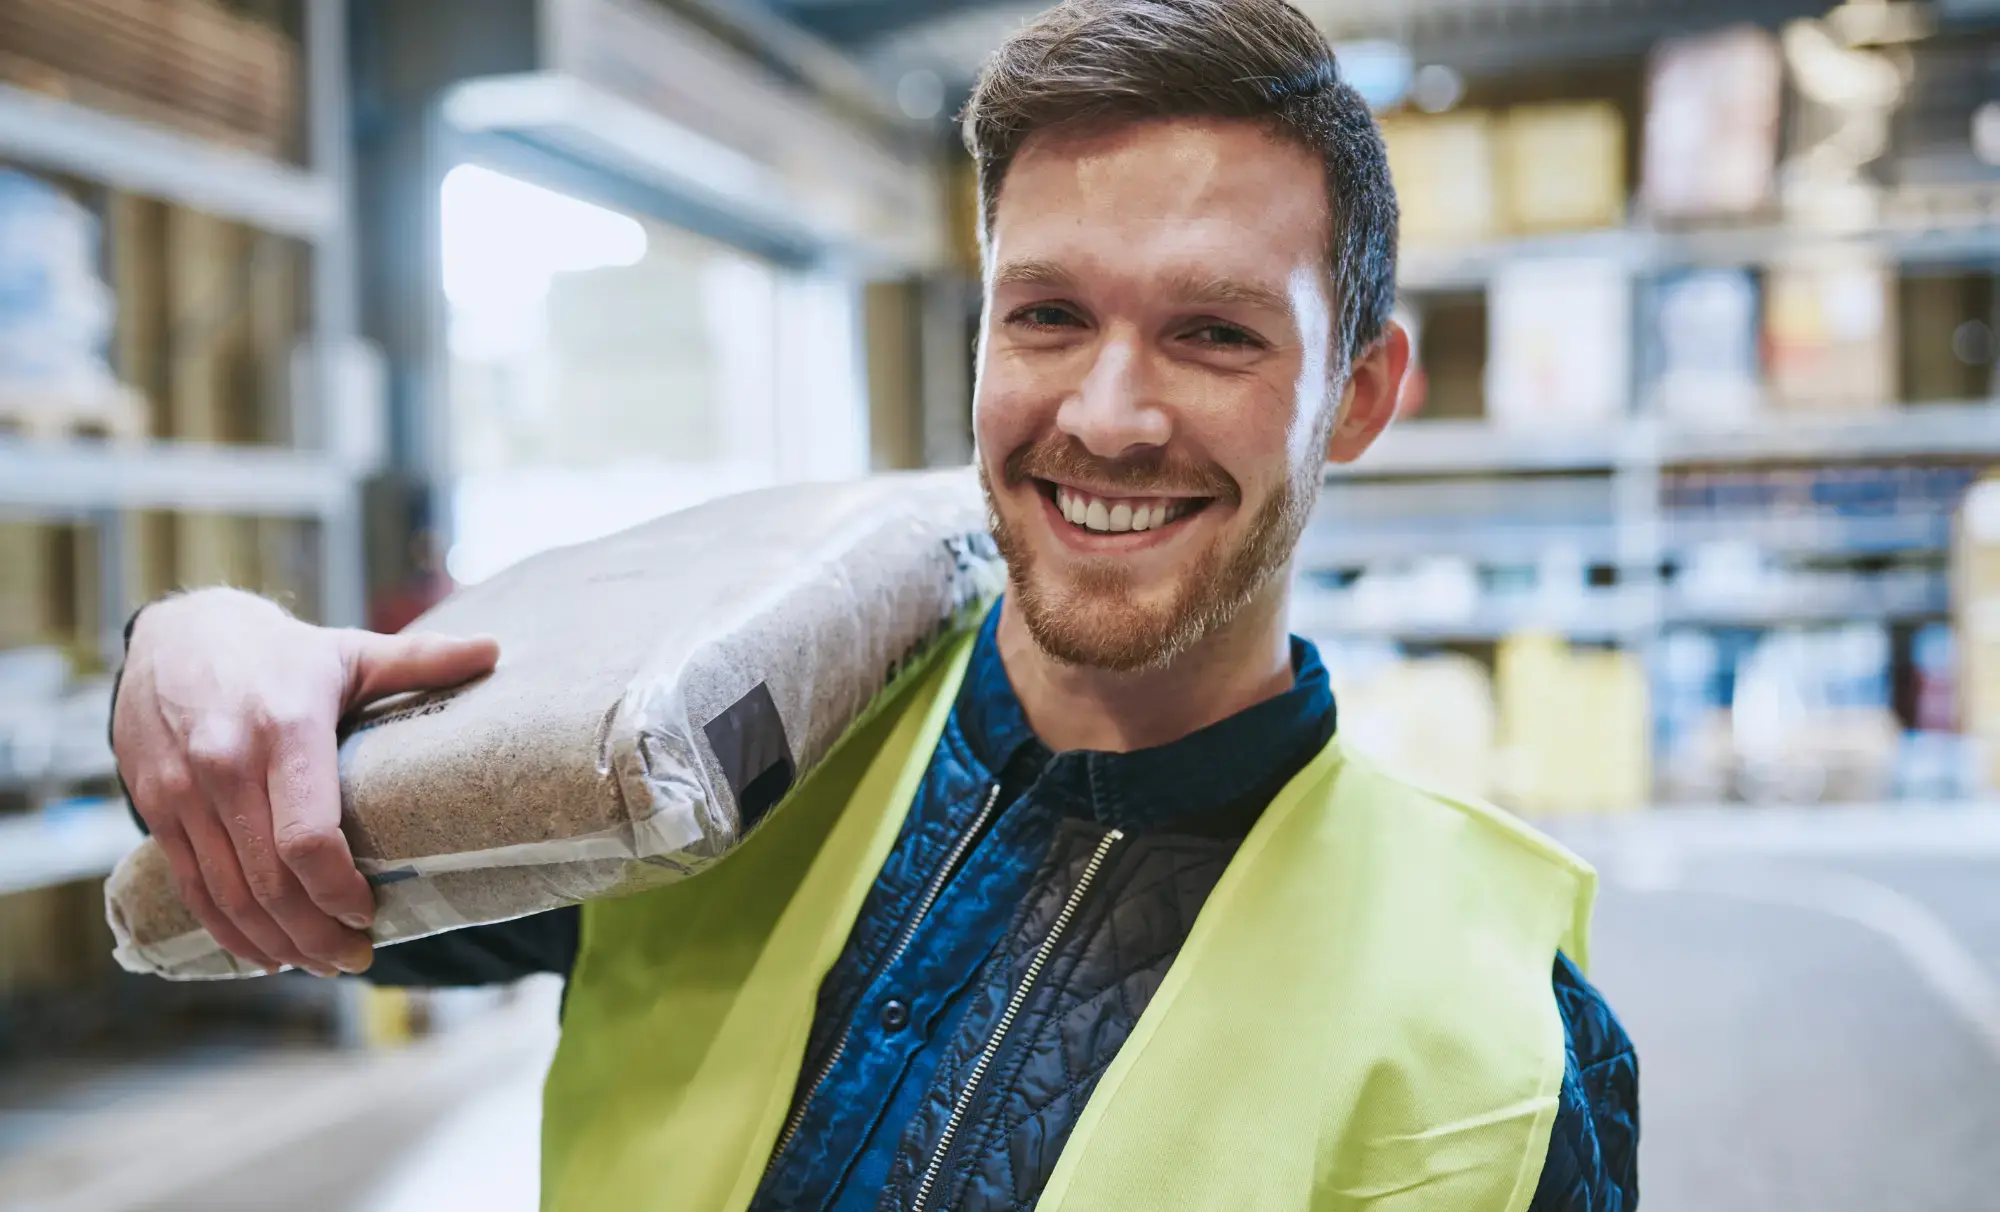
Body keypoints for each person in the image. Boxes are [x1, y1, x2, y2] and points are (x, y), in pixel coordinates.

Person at [108, 1, 1638, 1208]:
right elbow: (272, 874)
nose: (1107, 416)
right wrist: (193, 649)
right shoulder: (715, 752)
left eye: (1214, 334)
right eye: (1046, 315)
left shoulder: (1500, 1046)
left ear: (1360, 395)